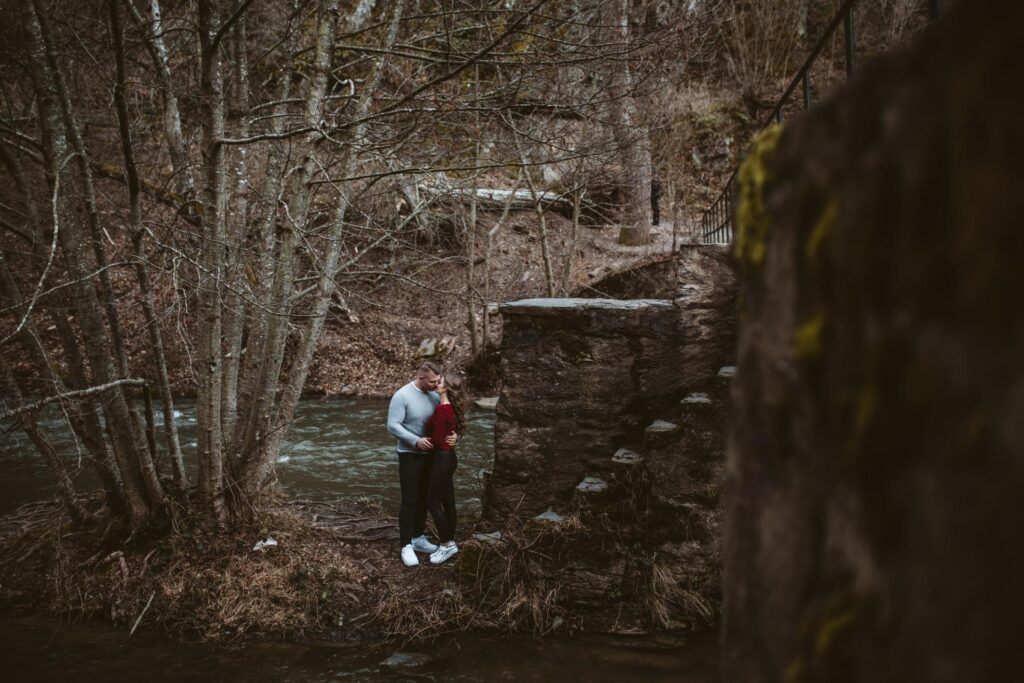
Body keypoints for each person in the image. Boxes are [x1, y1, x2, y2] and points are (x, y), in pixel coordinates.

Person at [386, 361, 455, 567]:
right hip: (410, 454)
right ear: (421, 377)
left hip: (432, 456)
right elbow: (392, 425)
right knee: (410, 500)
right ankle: (406, 544)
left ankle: (418, 537)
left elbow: (448, 419)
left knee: (426, 498)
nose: (436, 385)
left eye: (438, 381)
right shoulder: (402, 395)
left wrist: (455, 435)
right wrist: (415, 440)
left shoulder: (436, 394)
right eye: (433, 381)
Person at [424, 372, 466, 564]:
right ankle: (450, 541)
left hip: (441, 458)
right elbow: (452, 430)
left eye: (439, 382)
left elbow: (438, 439)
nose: (435, 383)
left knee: (432, 501)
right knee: (448, 500)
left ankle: (447, 544)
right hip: (450, 457)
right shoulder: (452, 408)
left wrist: (417, 441)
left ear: (445, 388)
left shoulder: (442, 410)